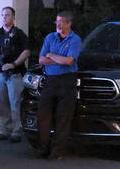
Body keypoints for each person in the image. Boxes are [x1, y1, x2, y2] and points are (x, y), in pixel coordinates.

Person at [37, 11, 82, 159]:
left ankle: (57, 151)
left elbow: (69, 61)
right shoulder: (50, 37)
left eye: (61, 22)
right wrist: (56, 58)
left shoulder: (75, 40)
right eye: (56, 22)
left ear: (69, 23)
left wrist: (51, 55)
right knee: (43, 114)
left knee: (63, 117)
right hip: (50, 80)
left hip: (67, 81)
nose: (58, 25)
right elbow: (41, 59)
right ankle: (43, 148)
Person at [0, 6, 30, 143]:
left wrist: (14, 64)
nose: (4, 18)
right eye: (2, 15)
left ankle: (16, 131)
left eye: (7, 15)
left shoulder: (19, 34)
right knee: (2, 103)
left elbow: (26, 52)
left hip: (14, 74)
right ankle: (5, 129)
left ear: (13, 17)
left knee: (15, 103)